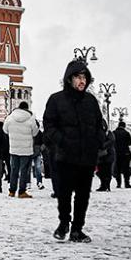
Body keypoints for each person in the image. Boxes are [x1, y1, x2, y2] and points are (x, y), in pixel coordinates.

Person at [43, 60, 105, 243]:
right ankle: (64, 223)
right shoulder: (56, 100)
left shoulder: (91, 101)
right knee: (64, 193)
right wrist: (61, 141)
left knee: (83, 195)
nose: (82, 81)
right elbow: (49, 125)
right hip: (65, 155)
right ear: (69, 79)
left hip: (87, 155)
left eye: (84, 77)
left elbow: (99, 124)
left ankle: (77, 229)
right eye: (78, 77)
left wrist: (98, 141)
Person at [3, 102, 39, 198]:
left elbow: (5, 130)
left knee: (14, 170)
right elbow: (35, 133)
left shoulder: (10, 117)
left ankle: (12, 191)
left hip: (14, 148)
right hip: (26, 149)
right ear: (27, 108)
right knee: (24, 171)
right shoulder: (31, 118)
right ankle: (22, 191)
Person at [112, 121, 131, 189]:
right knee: (126, 169)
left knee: (117, 169)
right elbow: (130, 143)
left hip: (116, 153)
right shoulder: (126, 133)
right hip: (125, 153)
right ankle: (127, 183)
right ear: (124, 126)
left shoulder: (114, 133)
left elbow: (112, 142)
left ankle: (118, 184)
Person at [95, 122, 116, 192]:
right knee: (100, 171)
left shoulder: (108, 133)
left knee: (107, 170)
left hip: (108, 154)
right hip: (100, 155)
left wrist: (102, 146)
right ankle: (103, 184)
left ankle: (106, 185)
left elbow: (111, 141)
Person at [31, 123, 45, 189]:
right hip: (29, 152)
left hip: (37, 152)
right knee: (27, 169)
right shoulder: (28, 132)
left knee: (38, 168)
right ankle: (28, 183)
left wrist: (41, 148)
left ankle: (39, 182)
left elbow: (44, 142)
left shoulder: (40, 133)